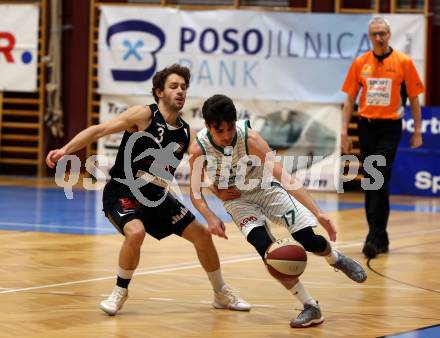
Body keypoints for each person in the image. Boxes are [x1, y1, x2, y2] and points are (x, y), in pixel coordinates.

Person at [46, 64, 251, 315]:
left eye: (184, 87)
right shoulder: (143, 115)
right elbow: (99, 130)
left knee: (202, 236)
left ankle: (221, 293)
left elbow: (201, 179)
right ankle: (120, 291)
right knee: (136, 232)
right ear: (159, 92)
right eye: (174, 86)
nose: (180, 91)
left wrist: (212, 211)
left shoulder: (188, 134)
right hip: (123, 191)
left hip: (157, 197)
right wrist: (65, 150)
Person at [188, 94, 367, 328]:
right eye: (220, 131)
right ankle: (310, 306)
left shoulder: (249, 138)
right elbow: (195, 191)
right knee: (268, 252)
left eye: (230, 129)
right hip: (238, 200)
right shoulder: (198, 150)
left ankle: (336, 258)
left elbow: (283, 174)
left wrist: (318, 212)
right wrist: (210, 215)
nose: (226, 136)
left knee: (307, 239)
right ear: (207, 126)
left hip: (265, 187)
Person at [341, 17, 424, 259]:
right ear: (369, 37)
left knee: (378, 176)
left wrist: (417, 131)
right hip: (366, 127)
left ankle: (373, 238)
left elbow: (415, 100)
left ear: (389, 35)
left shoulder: (403, 62)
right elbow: (349, 100)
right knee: (372, 182)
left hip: (390, 128)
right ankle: (381, 237)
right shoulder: (360, 63)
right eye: (375, 34)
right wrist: (345, 132)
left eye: (383, 33)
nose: (379, 38)